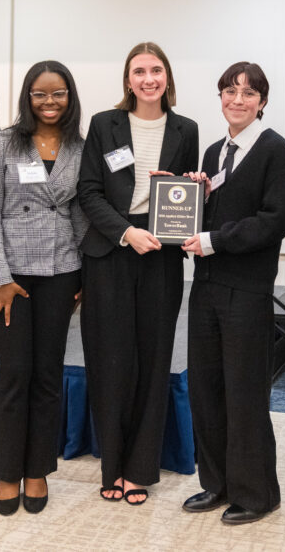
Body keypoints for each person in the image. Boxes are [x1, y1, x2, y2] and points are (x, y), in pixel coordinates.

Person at [77, 41, 198, 506]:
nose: (149, 79)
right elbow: (89, 192)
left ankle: (139, 469)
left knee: (153, 361)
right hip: (110, 254)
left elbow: (185, 198)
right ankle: (111, 466)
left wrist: (194, 189)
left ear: (168, 77)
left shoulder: (186, 129)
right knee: (110, 364)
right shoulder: (103, 125)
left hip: (162, 257)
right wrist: (127, 233)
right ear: (127, 80)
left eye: (156, 70)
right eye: (139, 71)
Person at [181, 62, 285, 525]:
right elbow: (208, 218)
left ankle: (257, 493)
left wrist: (213, 240)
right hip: (206, 287)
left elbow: (273, 221)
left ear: (262, 101)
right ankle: (217, 483)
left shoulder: (274, 151)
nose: (238, 99)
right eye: (230, 91)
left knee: (245, 393)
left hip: (246, 290)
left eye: (249, 93)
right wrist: (193, 201)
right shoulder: (213, 152)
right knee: (206, 389)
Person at [0, 61, 87, 516]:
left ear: (70, 96)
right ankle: (7, 470)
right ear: (28, 97)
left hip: (62, 270)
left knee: (47, 373)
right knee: (12, 373)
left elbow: (83, 210)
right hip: (12, 277)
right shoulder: (4, 141)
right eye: (40, 94)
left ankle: (38, 468)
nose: (49, 102)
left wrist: (83, 275)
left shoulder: (81, 146)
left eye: (58, 94)